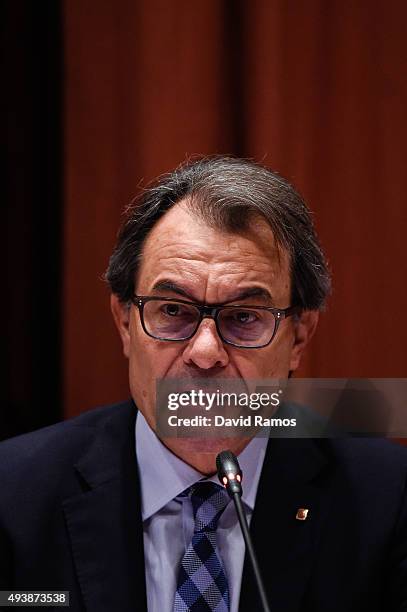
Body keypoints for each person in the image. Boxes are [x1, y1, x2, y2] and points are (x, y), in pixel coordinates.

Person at [0, 156, 406, 612]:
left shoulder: (389, 499)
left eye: (244, 317)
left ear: (299, 337)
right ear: (124, 323)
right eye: (172, 311)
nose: (206, 352)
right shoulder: (12, 494)